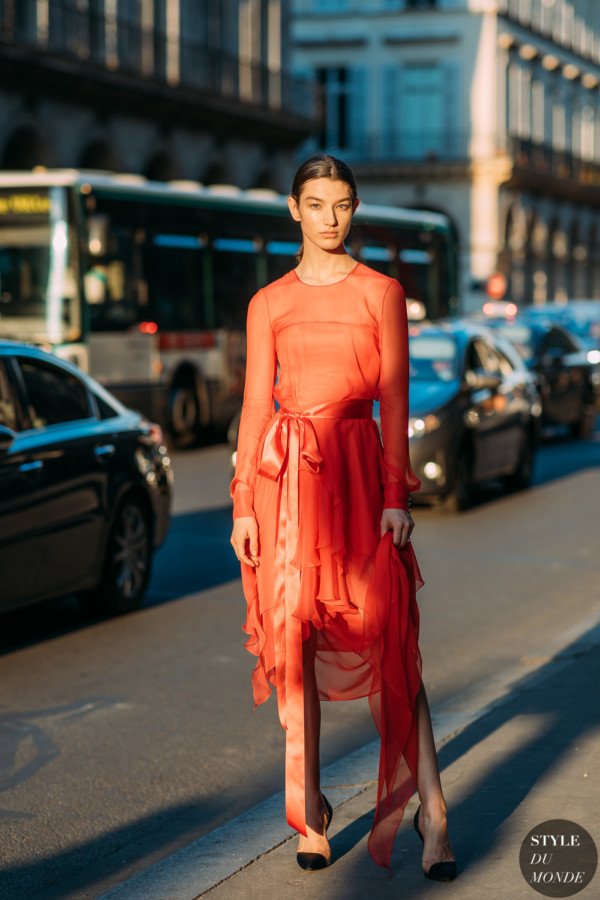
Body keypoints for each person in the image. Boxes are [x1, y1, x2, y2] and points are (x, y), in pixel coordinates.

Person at [230, 155, 456, 881]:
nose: (330, 218)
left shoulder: (381, 292)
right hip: (287, 485)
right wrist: (243, 503)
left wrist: (398, 496)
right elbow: (254, 407)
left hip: (361, 480)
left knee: (391, 642)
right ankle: (309, 809)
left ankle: (434, 808)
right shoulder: (267, 302)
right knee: (293, 639)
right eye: (316, 204)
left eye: (342, 204)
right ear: (293, 210)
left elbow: (393, 397)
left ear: (354, 209)